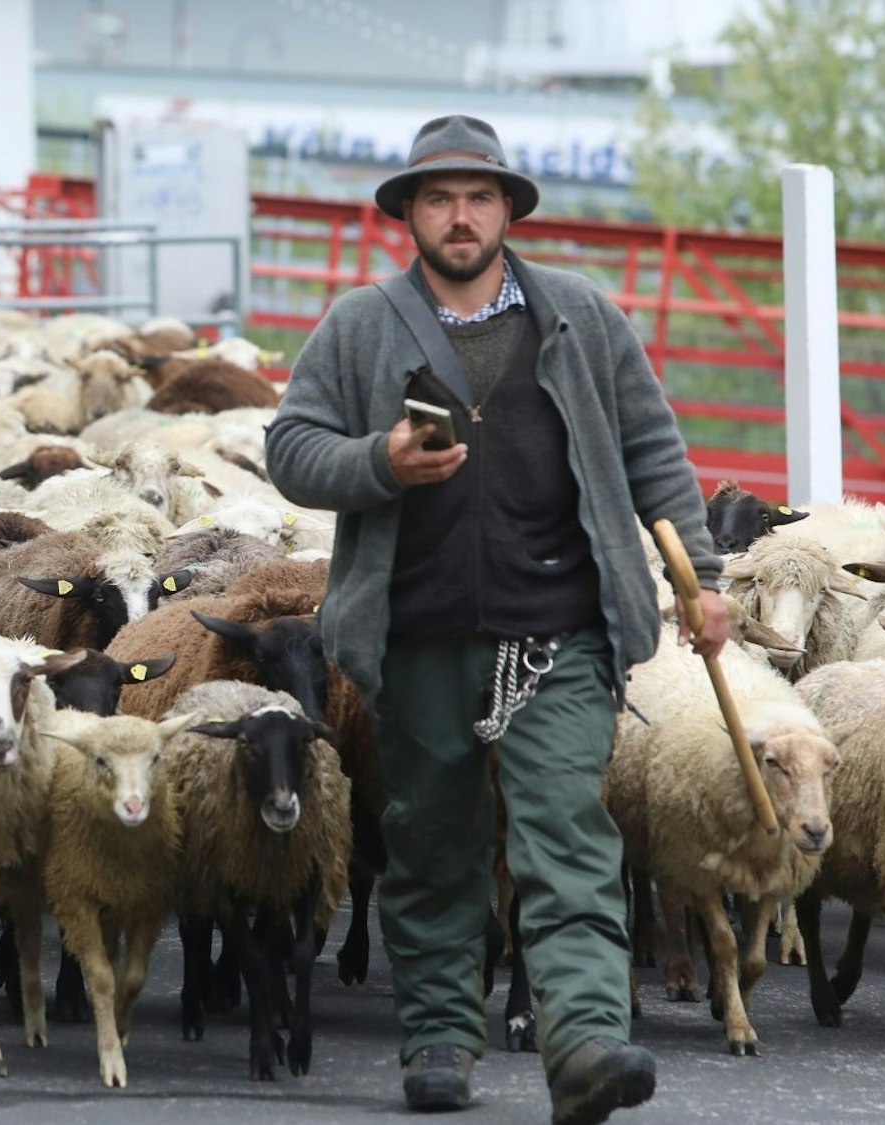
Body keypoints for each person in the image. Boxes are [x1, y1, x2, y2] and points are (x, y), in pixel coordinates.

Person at [264, 114, 728, 1124]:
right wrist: (377, 462)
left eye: (477, 197)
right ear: (408, 216)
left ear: (508, 209)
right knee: (432, 840)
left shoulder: (580, 317)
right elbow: (290, 450)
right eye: (437, 198)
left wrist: (704, 576)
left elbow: (653, 451)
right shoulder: (357, 324)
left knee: (565, 830)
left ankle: (584, 1042)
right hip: (415, 631)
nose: (459, 215)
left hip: (555, 628)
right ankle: (436, 1038)